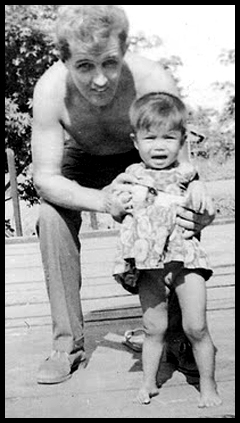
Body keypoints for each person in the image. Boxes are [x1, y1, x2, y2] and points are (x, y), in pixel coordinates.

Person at [31, 5, 215, 385]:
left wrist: (197, 209)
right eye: (84, 66)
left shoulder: (153, 78)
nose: (100, 80)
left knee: (178, 206)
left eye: (110, 63)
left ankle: (178, 335)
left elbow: (184, 171)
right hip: (81, 156)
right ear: (64, 60)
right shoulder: (50, 90)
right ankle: (67, 344)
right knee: (50, 216)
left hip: (143, 153)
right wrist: (103, 200)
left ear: (125, 50)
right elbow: (45, 178)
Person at [113, 92, 222, 408]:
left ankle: (209, 385)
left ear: (182, 140)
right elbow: (117, 205)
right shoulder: (132, 174)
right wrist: (119, 204)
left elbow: (199, 190)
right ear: (135, 141)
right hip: (150, 264)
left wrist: (199, 187)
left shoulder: (188, 173)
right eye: (150, 138)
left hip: (185, 260)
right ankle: (148, 382)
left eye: (168, 137)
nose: (158, 146)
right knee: (153, 327)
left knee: (196, 326)